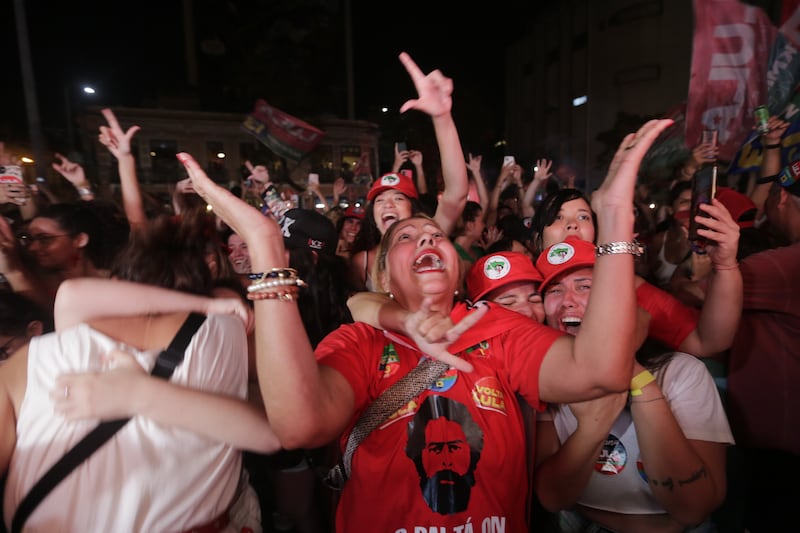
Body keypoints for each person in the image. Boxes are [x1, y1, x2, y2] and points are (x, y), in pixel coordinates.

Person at [179, 61, 675, 530]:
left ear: (459, 267)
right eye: (405, 238)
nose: (427, 239)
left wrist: (614, 219)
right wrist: (268, 251)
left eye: (435, 235)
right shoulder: (360, 342)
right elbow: (298, 428)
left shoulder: (497, 329)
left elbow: (603, 370)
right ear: (382, 276)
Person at [0, 211, 279, 532]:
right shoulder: (229, 326)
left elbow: (72, 295)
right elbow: (271, 431)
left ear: (121, 280)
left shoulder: (39, 356)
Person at [532, 236, 733, 533]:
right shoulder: (543, 384)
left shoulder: (680, 373)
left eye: (585, 286)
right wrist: (593, 424)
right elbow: (551, 497)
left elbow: (693, 508)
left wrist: (634, 375)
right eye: (555, 290)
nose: (568, 300)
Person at [529, 186, 742, 359]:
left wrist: (725, 265)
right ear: (538, 238)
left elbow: (707, 342)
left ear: (597, 233)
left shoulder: (626, 286)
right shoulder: (519, 289)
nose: (572, 225)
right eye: (557, 217)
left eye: (584, 217)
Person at [722, 114, 800, 532]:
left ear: (783, 202)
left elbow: (707, 296)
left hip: (779, 448)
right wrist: (772, 149)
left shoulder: (781, 266)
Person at [347, 53, 469, 292]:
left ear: (413, 209)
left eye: (398, 198)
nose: (387, 205)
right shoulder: (360, 262)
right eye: (380, 200)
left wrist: (442, 117)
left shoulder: (430, 239)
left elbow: (456, 194)